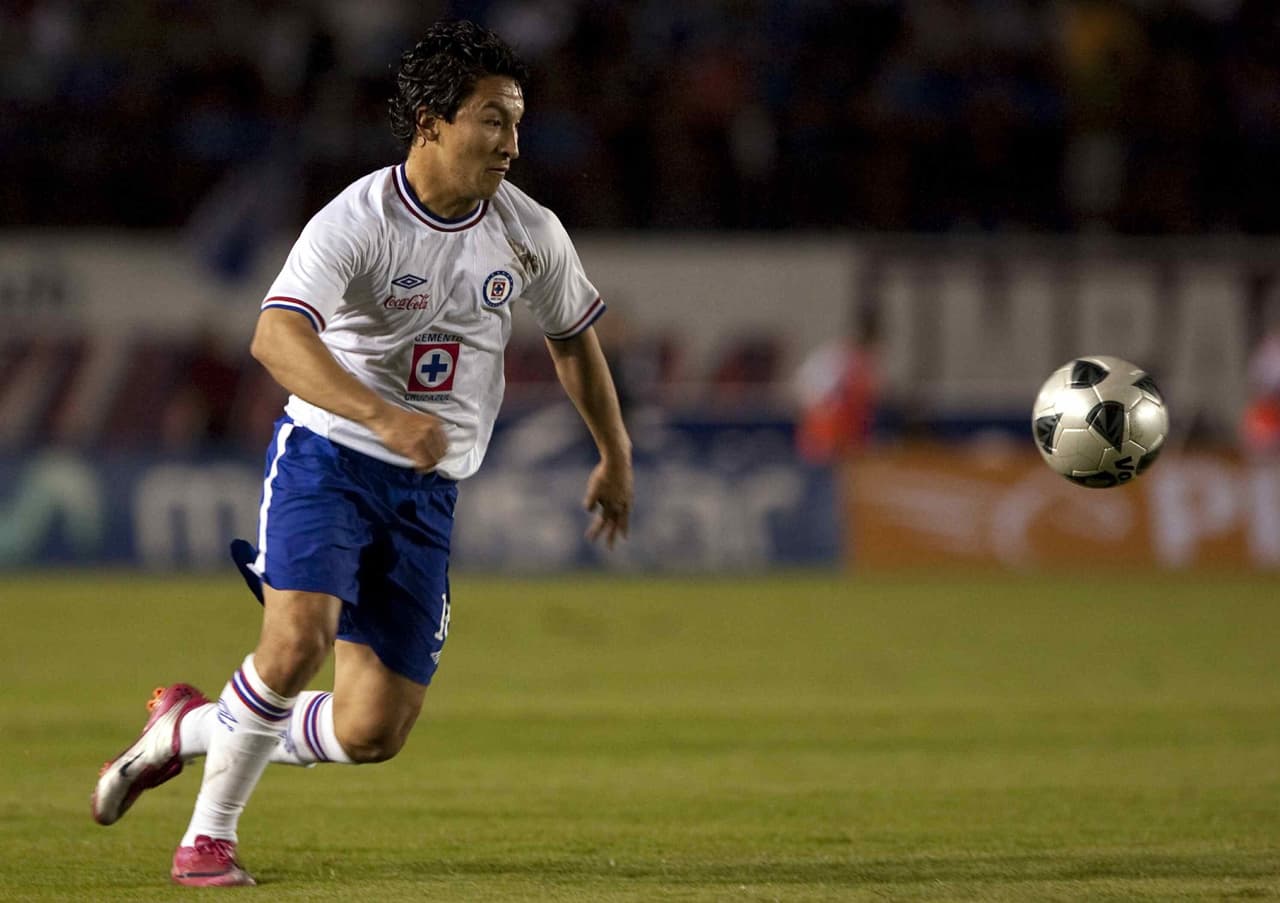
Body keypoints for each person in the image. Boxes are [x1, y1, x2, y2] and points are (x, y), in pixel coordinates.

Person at [90, 19, 633, 887]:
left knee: (371, 730)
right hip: (329, 459)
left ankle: (185, 729)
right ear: (430, 121)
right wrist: (382, 417)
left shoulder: (530, 231)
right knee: (296, 635)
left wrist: (615, 451)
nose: (512, 143)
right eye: (492, 119)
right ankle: (207, 839)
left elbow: (573, 339)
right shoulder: (358, 220)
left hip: (428, 491)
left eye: (518, 121)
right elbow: (275, 337)